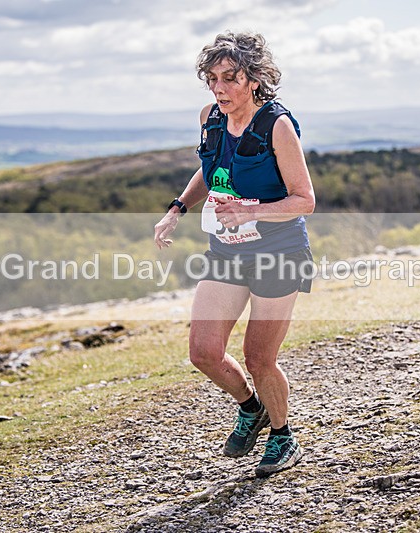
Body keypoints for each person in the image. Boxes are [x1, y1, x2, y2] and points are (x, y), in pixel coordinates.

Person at [153, 31, 315, 478]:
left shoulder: (277, 126)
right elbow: (209, 169)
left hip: (278, 252)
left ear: (255, 78)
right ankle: (251, 407)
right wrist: (177, 209)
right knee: (204, 352)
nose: (219, 88)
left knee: (259, 357)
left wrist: (251, 210)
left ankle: (283, 436)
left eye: (229, 78)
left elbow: (304, 200)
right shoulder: (210, 117)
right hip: (226, 251)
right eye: (212, 79)